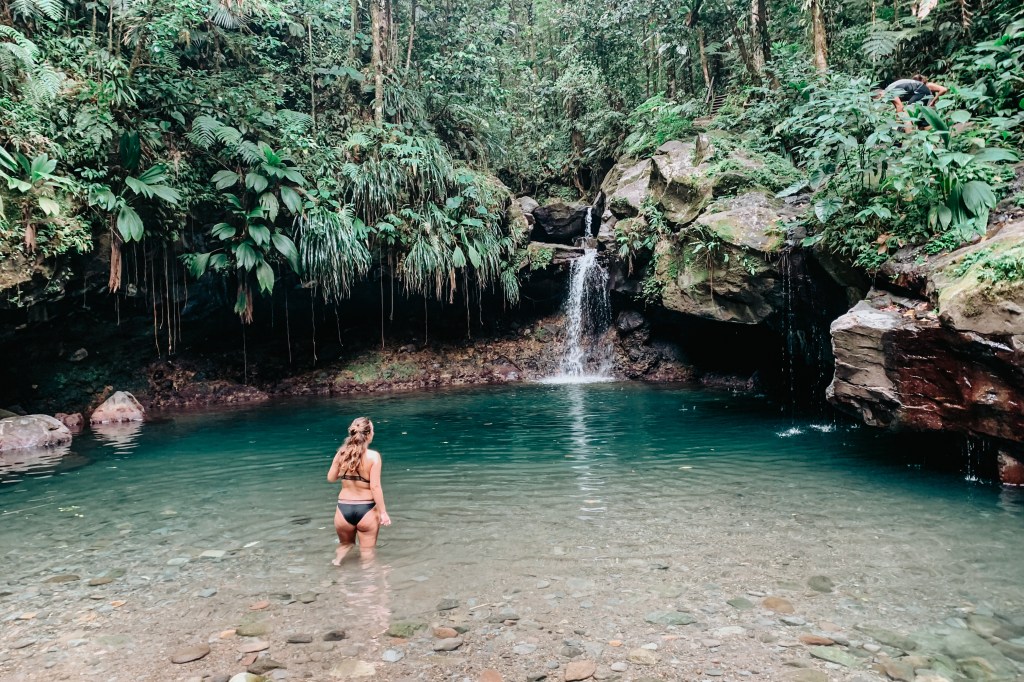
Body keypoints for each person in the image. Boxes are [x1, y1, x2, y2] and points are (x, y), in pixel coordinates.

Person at [327, 416, 391, 565]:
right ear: (368, 434)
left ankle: (338, 563)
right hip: (366, 510)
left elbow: (331, 478)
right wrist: (383, 513)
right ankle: (368, 583)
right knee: (367, 552)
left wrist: (344, 467)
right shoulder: (373, 456)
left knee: (345, 544)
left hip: (343, 509)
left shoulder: (341, 454)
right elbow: (375, 487)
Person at [882, 75, 949, 132]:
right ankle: (929, 137)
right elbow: (898, 107)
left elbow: (944, 89)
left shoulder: (927, 85)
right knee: (922, 121)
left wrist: (933, 100)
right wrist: (898, 119)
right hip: (925, 103)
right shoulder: (916, 89)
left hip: (930, 104)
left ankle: (910, 136)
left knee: (907, 113)